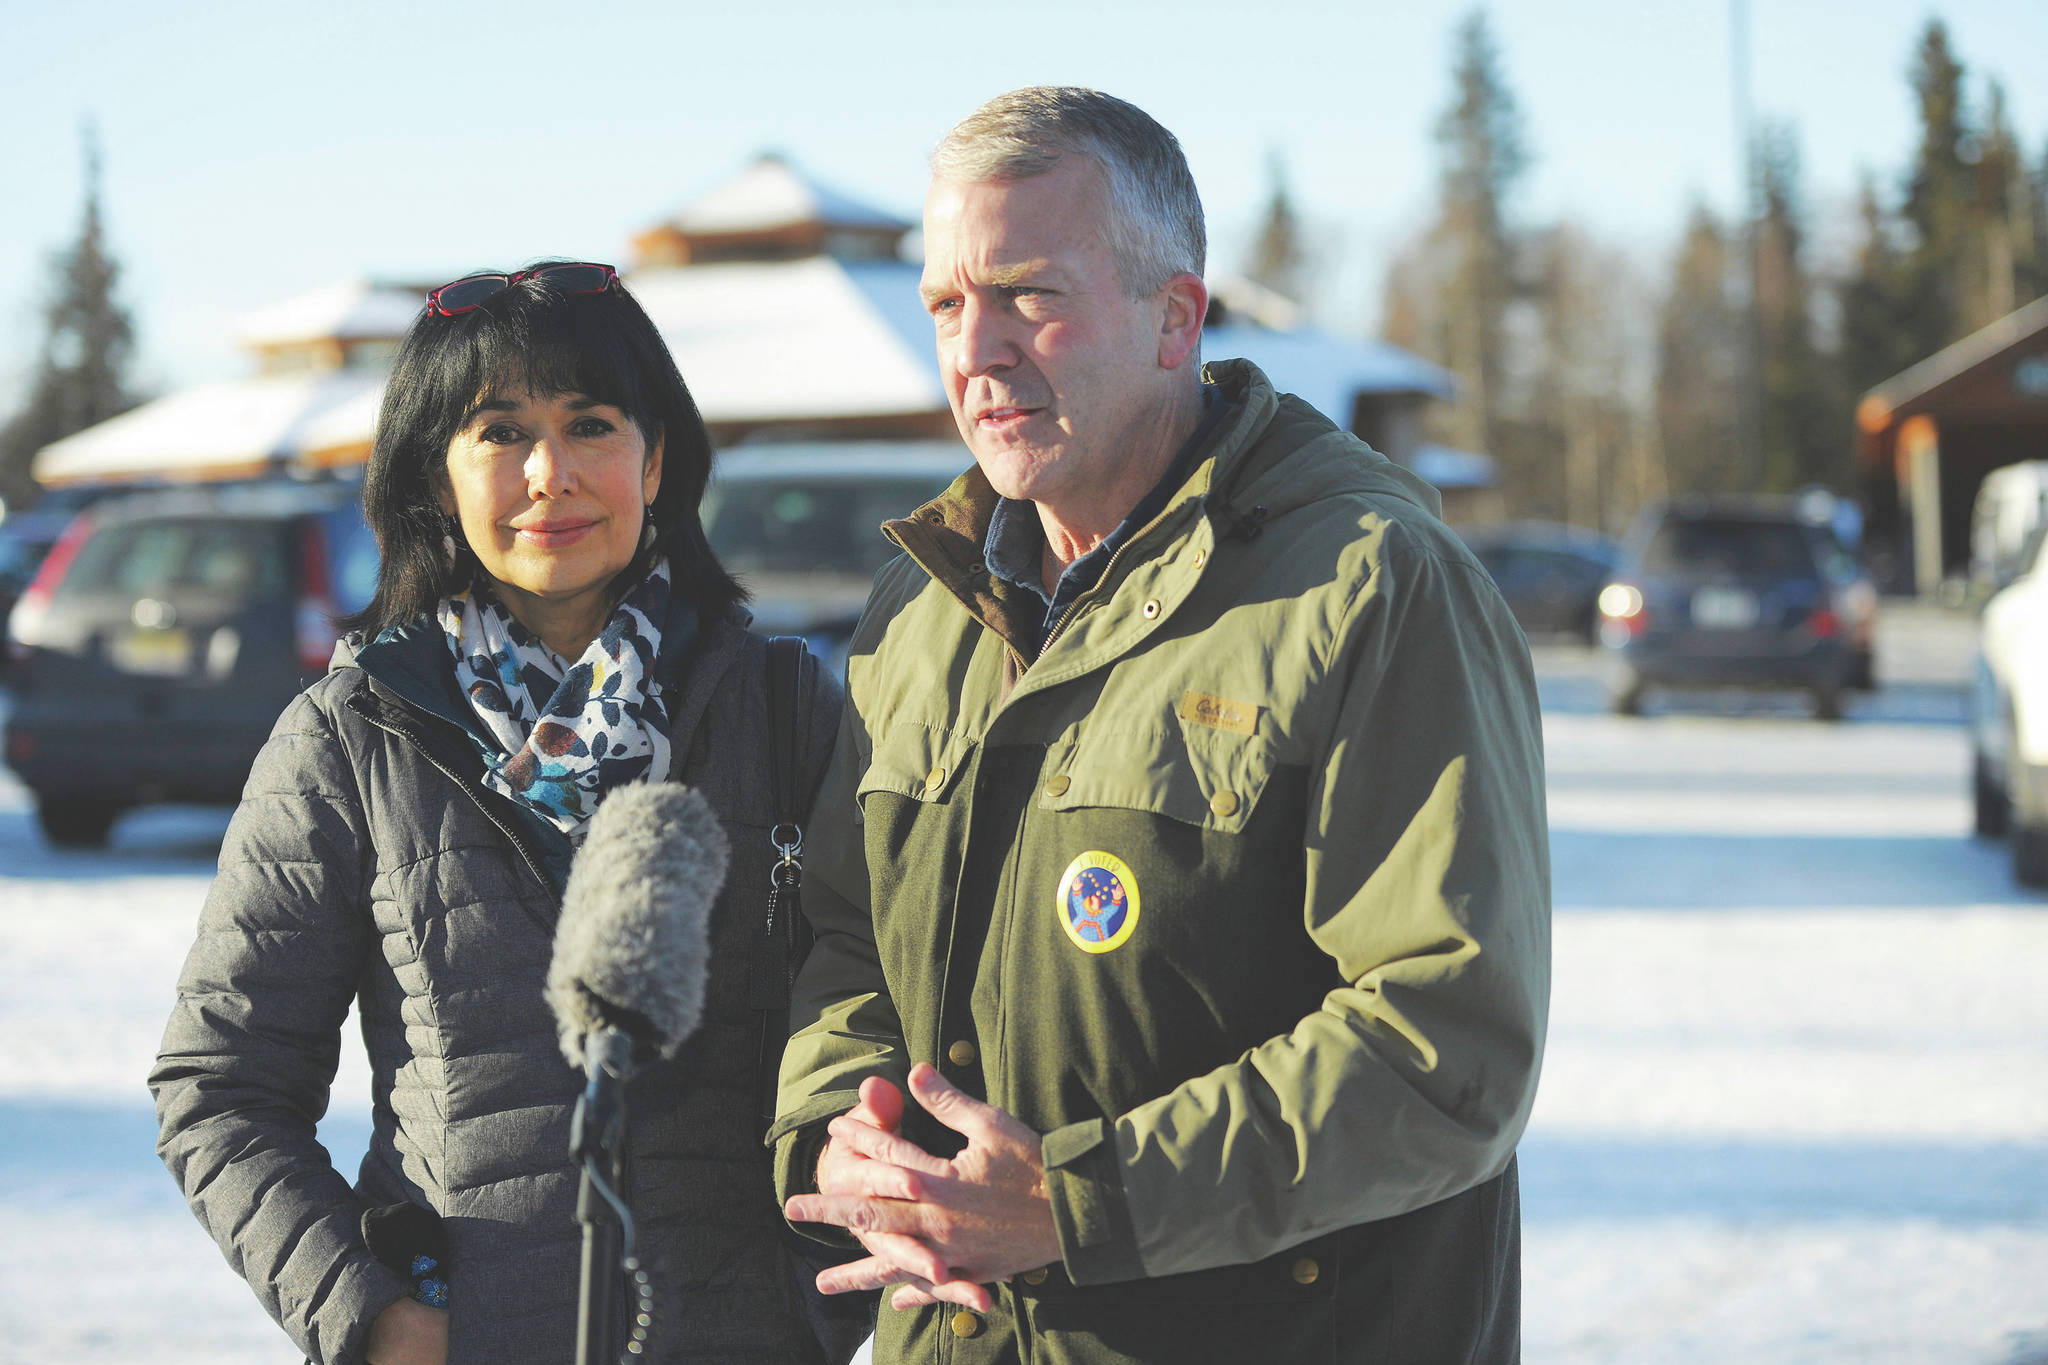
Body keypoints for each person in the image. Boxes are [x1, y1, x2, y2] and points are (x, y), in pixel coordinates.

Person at [770, 89, 1551, 1364]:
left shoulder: (1367, 582)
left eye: (1028, 292)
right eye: (943, 304)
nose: (977, 349)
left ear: (1172, 318)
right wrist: (832, 1132)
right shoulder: (921, 604)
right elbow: (845, 943)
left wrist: (1084, 1204)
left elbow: (1443, 1043)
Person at [150, 263, 842, 1364]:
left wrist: (807, 1304)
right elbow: (220, 1088)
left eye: (590, 425)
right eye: (501, 432)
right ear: (436, 473)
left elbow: (881, 1023)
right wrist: (374, 1321)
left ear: (655, 460)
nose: (549, 474)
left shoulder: (787, 712)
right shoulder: (349, 737)